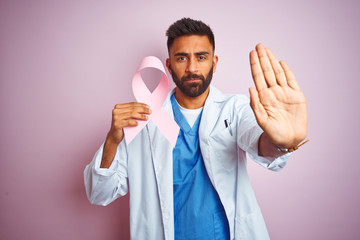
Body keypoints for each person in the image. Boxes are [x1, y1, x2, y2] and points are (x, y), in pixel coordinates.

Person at [84, 18, 308, 240]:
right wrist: (112, 140)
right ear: (169, 65)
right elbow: (99, 193)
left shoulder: (235, 109)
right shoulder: (143, 120)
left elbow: (261, 143)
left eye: (201, 57)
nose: (192, 68)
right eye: (182, 58)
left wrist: (282, 142)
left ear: (214, 62)